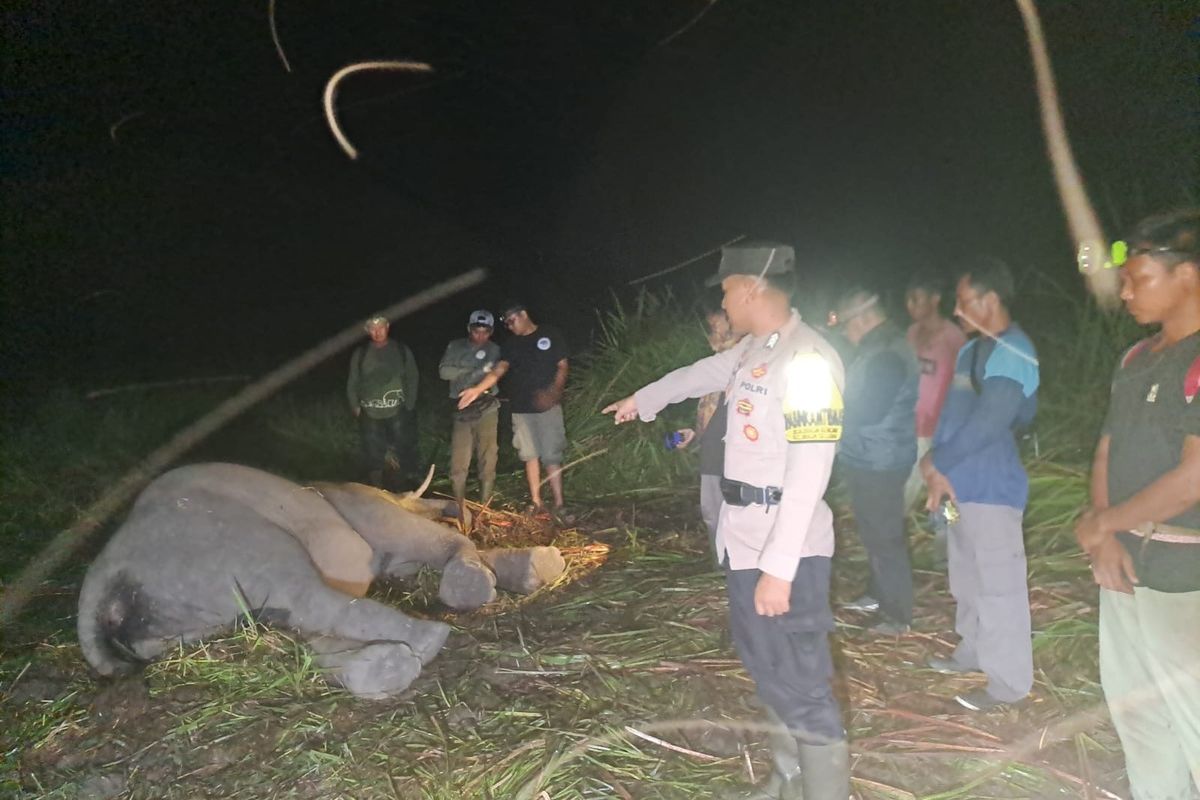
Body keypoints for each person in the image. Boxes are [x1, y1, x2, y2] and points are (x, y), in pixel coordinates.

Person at [604, 241, 850, 800]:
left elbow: (811, 472)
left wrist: (780, 569)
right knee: (765, 665)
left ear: (749, 288)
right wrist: (642, 400)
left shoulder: (807, 361)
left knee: (804, 682)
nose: (722, 299)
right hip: (743, 537)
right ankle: (787, 777)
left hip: (789, 549)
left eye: (725, 289)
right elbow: (696, 374)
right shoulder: (752, 352)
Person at [1073, 209, 1200, 800]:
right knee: (1138, 717)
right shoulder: (1135, 360)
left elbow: (1192, 479)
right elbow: (1107, 448)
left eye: (1139, 278)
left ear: (1189, 277)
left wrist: (1106, 523)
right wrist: (1106, 539)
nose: (1123, 290)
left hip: (1184, 575)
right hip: (1124, 566)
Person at [919, 256, 1038, 712]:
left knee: (999, 585)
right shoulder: (971, 351)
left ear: (990, 300)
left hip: (991, 489)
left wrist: (935, 460)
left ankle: (1008, 684)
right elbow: (954, 420)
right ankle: (972, 652)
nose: (956, 308)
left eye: (964, 300)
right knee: (965, 577)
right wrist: (938, 475)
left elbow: (992, 422)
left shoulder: (1014, 349)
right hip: (957, 489)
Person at [833, 289, 919, 635]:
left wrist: (831, 413)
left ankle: (897, 616)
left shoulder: (886, 353)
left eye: (847, 327)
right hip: (870, 453)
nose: (846, 335)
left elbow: (870, 410)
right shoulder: (879, 347)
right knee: (875, 531)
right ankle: (878, 593)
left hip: (881, 458)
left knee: (884, 536)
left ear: (864, 320)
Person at [458, 302, 570, 513]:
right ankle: (536, 501)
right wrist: (477, 389)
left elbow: (562, 366)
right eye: (506, 323)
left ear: (523, 314)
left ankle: (559, 503)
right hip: (521, 408)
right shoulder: (511, 344)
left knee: (552, 455)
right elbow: (499, 369)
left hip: (548, 407)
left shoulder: (550, 334)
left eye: (511, 321)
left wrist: (554, 392)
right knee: (529, 455)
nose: (509, 326)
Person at [670, 307, 739, 554]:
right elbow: (711, 410)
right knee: (712, 515)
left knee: (734, 516)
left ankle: (736, 570)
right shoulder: (714, 367)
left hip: (735, 459)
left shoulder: (745, 366)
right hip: (711, 456)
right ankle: (722, 569)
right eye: (711, 328)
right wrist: (695, 433)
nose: (712, 335)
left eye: (717, 327)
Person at [903, 273, 967, 531]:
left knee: (942, 491)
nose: (910, 305)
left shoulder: (953, 338)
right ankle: (892, 538)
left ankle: (948, 546)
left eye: (916, 299)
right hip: (910, 426)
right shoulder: (910, 334)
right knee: (904, 487)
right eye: (907, 300)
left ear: (935, 299)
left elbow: (963, 387)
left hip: (941, 429)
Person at [347, 315, 420, 490]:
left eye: (381, 327)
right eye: (373, 328)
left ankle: (405, 482)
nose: (377, 332)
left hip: (397, 409)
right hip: (369, 411)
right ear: (367, 330)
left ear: (387, 327)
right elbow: (353, 381)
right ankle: (376, 486)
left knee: (403, 444)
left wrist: (409, 403)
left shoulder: (401, 350)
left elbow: (412, 377)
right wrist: (354, 405)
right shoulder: (361, 353)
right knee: (372, 449)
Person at [439, 310, 502, 504]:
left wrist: (464, 373)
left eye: (485, 331)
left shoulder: (494, 349)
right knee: (459, 458)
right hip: (462, 407)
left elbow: (491, 372)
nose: (480, 335)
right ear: (469, 328)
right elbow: (444, 372)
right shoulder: (455, 346)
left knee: (488, 455)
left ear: (491, 332)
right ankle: (458, 505)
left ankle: (485, 505)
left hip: (487, 406)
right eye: (476, 330)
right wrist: (471, 370)